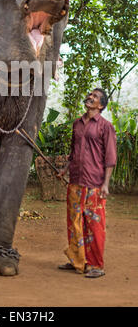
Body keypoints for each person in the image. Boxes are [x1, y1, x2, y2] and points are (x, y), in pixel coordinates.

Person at [58, 88, 117, 278]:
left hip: (94, 183)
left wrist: (105, 184)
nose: (90, 97)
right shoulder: (77, 124)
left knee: (95, 225)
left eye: (95, 97)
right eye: (90, 94)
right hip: (75, 181)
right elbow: (73, 152)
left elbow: (110, 158)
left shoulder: (105, 126)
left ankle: (96, 265)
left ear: (101, 106)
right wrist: (65, 169)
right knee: (74, 222)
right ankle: (78, 260)